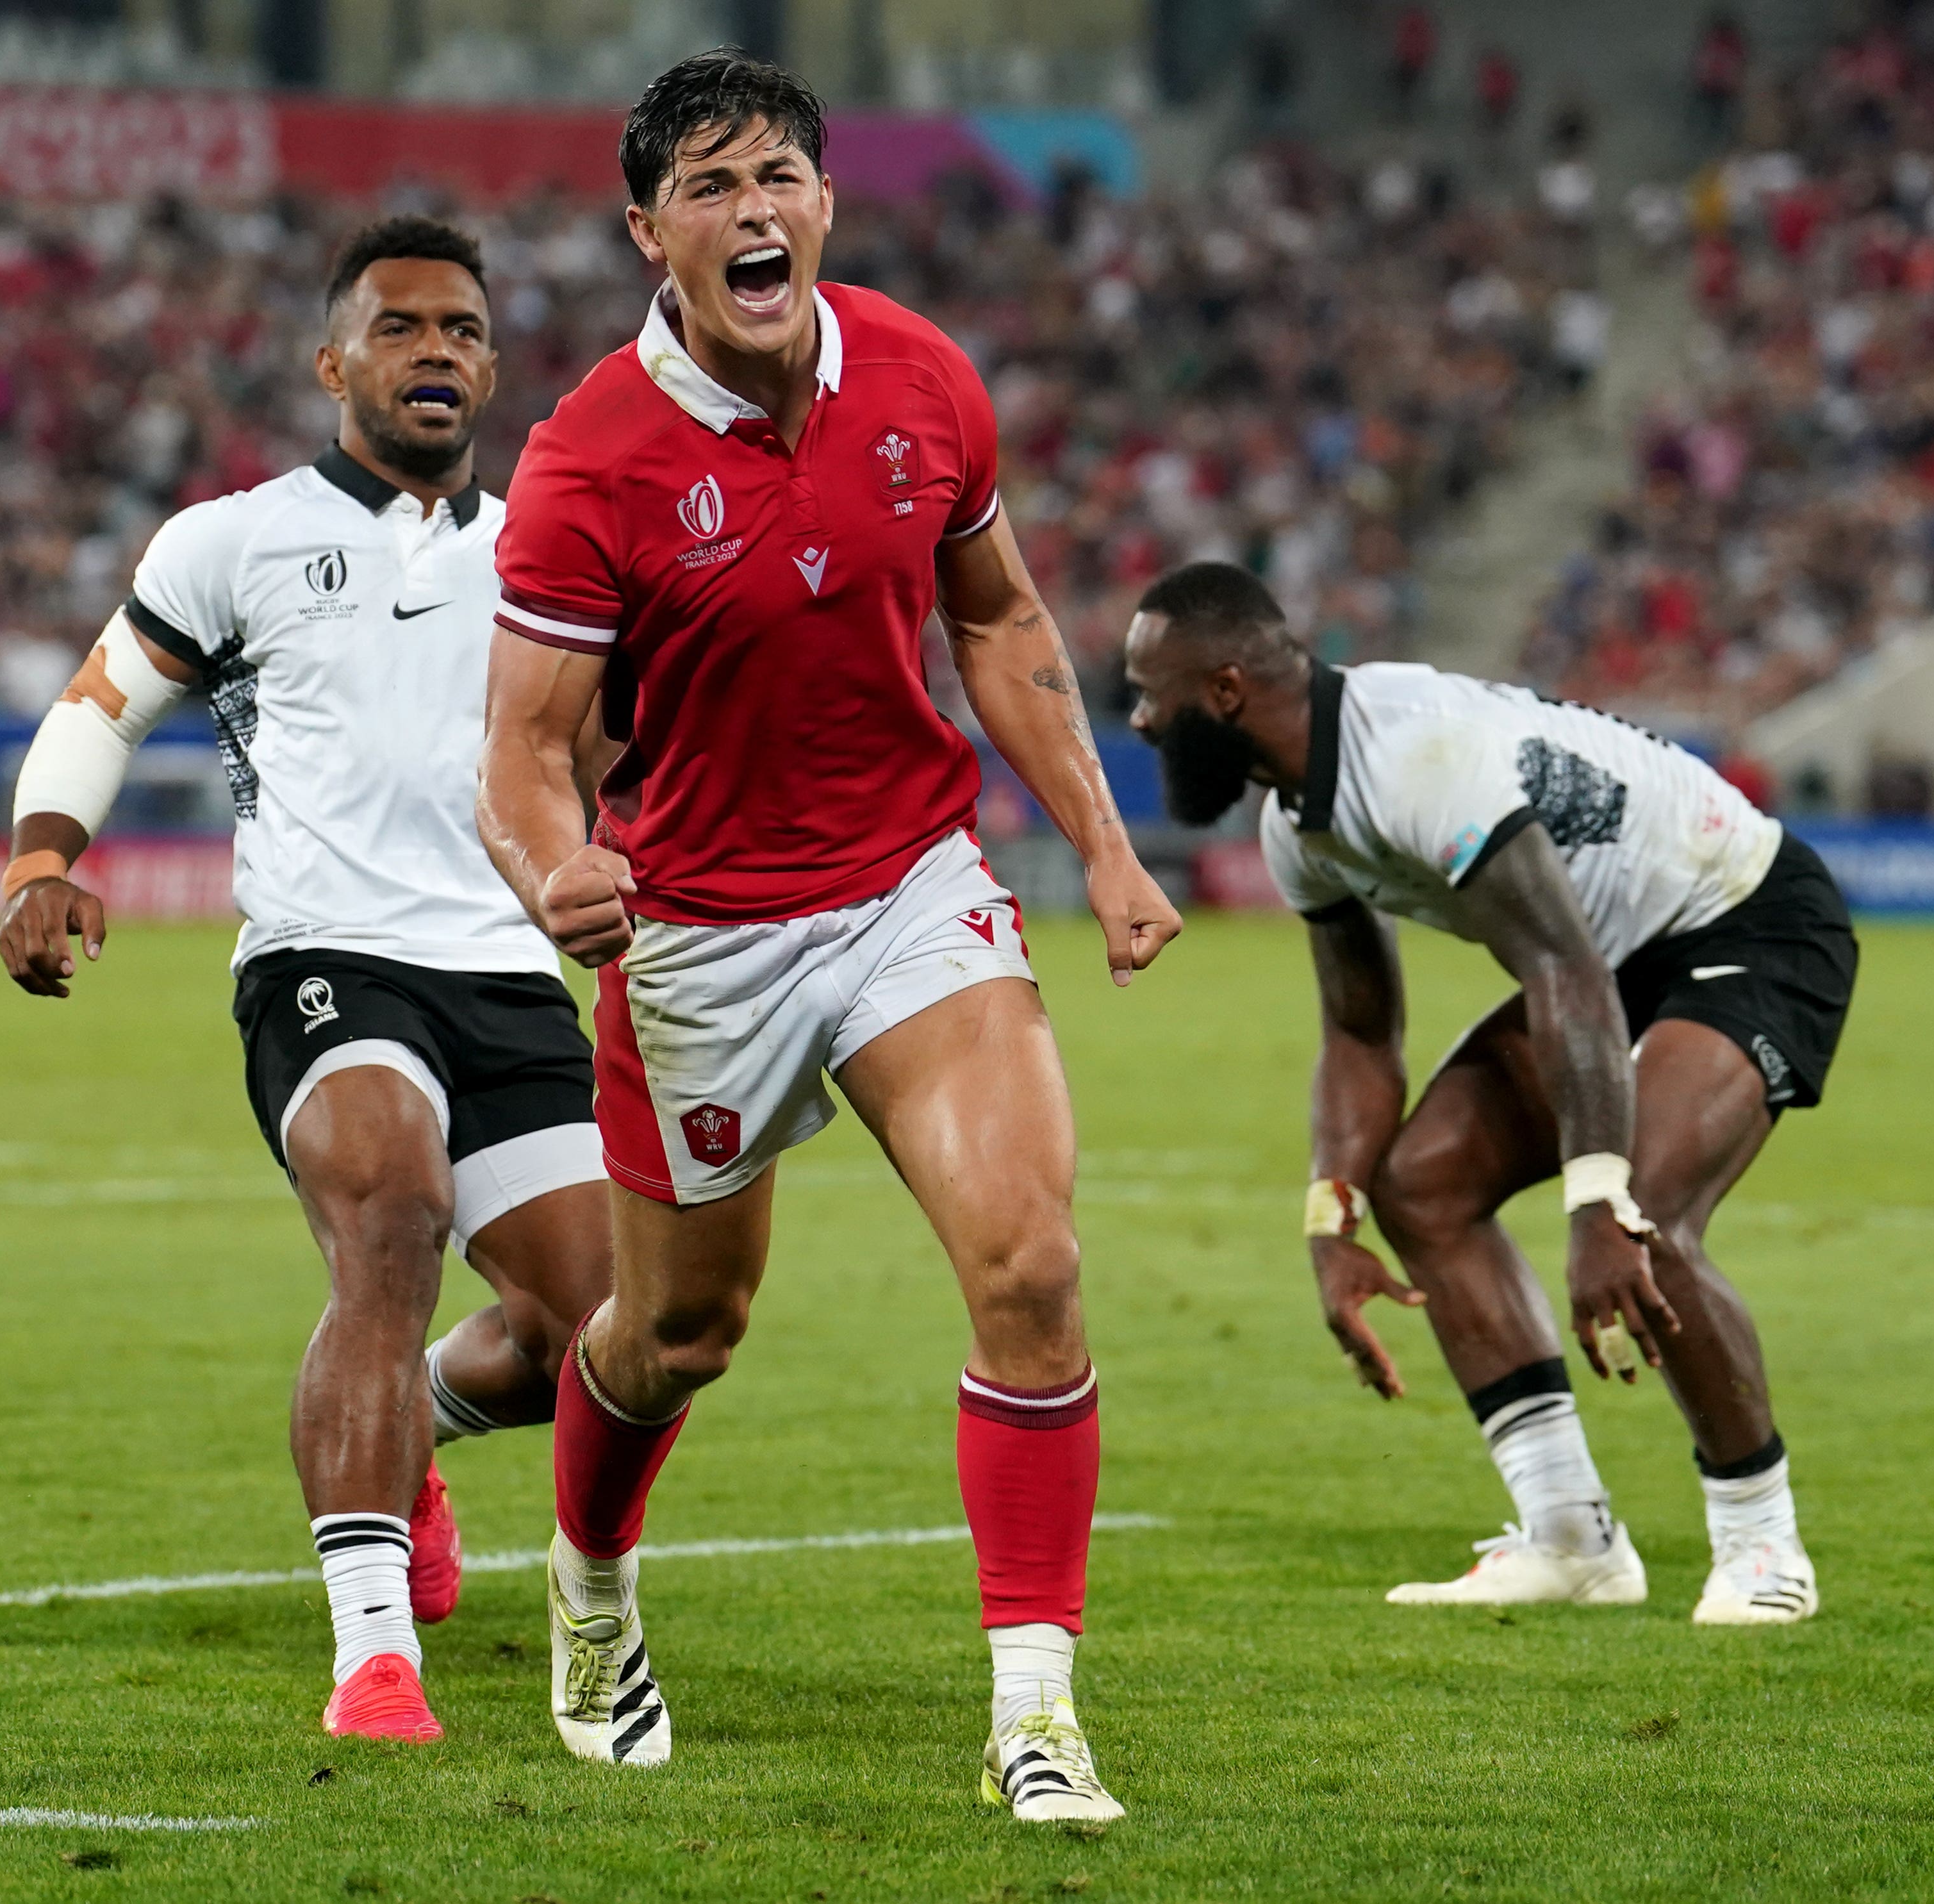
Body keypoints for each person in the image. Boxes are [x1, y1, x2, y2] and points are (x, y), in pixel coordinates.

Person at [477, 51, 1179, 1818]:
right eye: (708, 188)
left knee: (1030, 1262)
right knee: (673, 1335)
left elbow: (1002, 619)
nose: (753, 209)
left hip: (908, 888)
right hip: (704, 934)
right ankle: (590, 1576)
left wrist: (1102, 846)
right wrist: (558, 866)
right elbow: (521, 744)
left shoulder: (925, 375)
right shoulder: (590, 459)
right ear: (651, 233)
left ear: (826, 201)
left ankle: (1036, 1711)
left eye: (777, 173)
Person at [0, 217, 613, 1741]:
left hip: (508, 962)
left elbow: (615, 744)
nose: (437, 353)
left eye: (463, 330)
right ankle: (374, 1654)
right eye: (401, 329)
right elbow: (103, 700)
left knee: (605, 1331)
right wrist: (39, 857)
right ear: (334, 361)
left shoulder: (546, 543)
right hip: (327, 958)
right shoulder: (234, 538)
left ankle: (418, 1436)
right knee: (391, 1213)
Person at [1123, 562, 1855, 1625]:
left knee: (1642, 1215)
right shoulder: (1296, 825)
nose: (1140, 720)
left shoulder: (1417, 755)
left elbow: (1561, 970)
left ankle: (1760, 1546)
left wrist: (1597, 1198)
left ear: (1226, 690)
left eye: (1155, 692)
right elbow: (1362, 1029)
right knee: (1420, 1186)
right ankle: (1569, 1536)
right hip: (1608, 957)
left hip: (1742, 922)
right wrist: (1333, 1219)